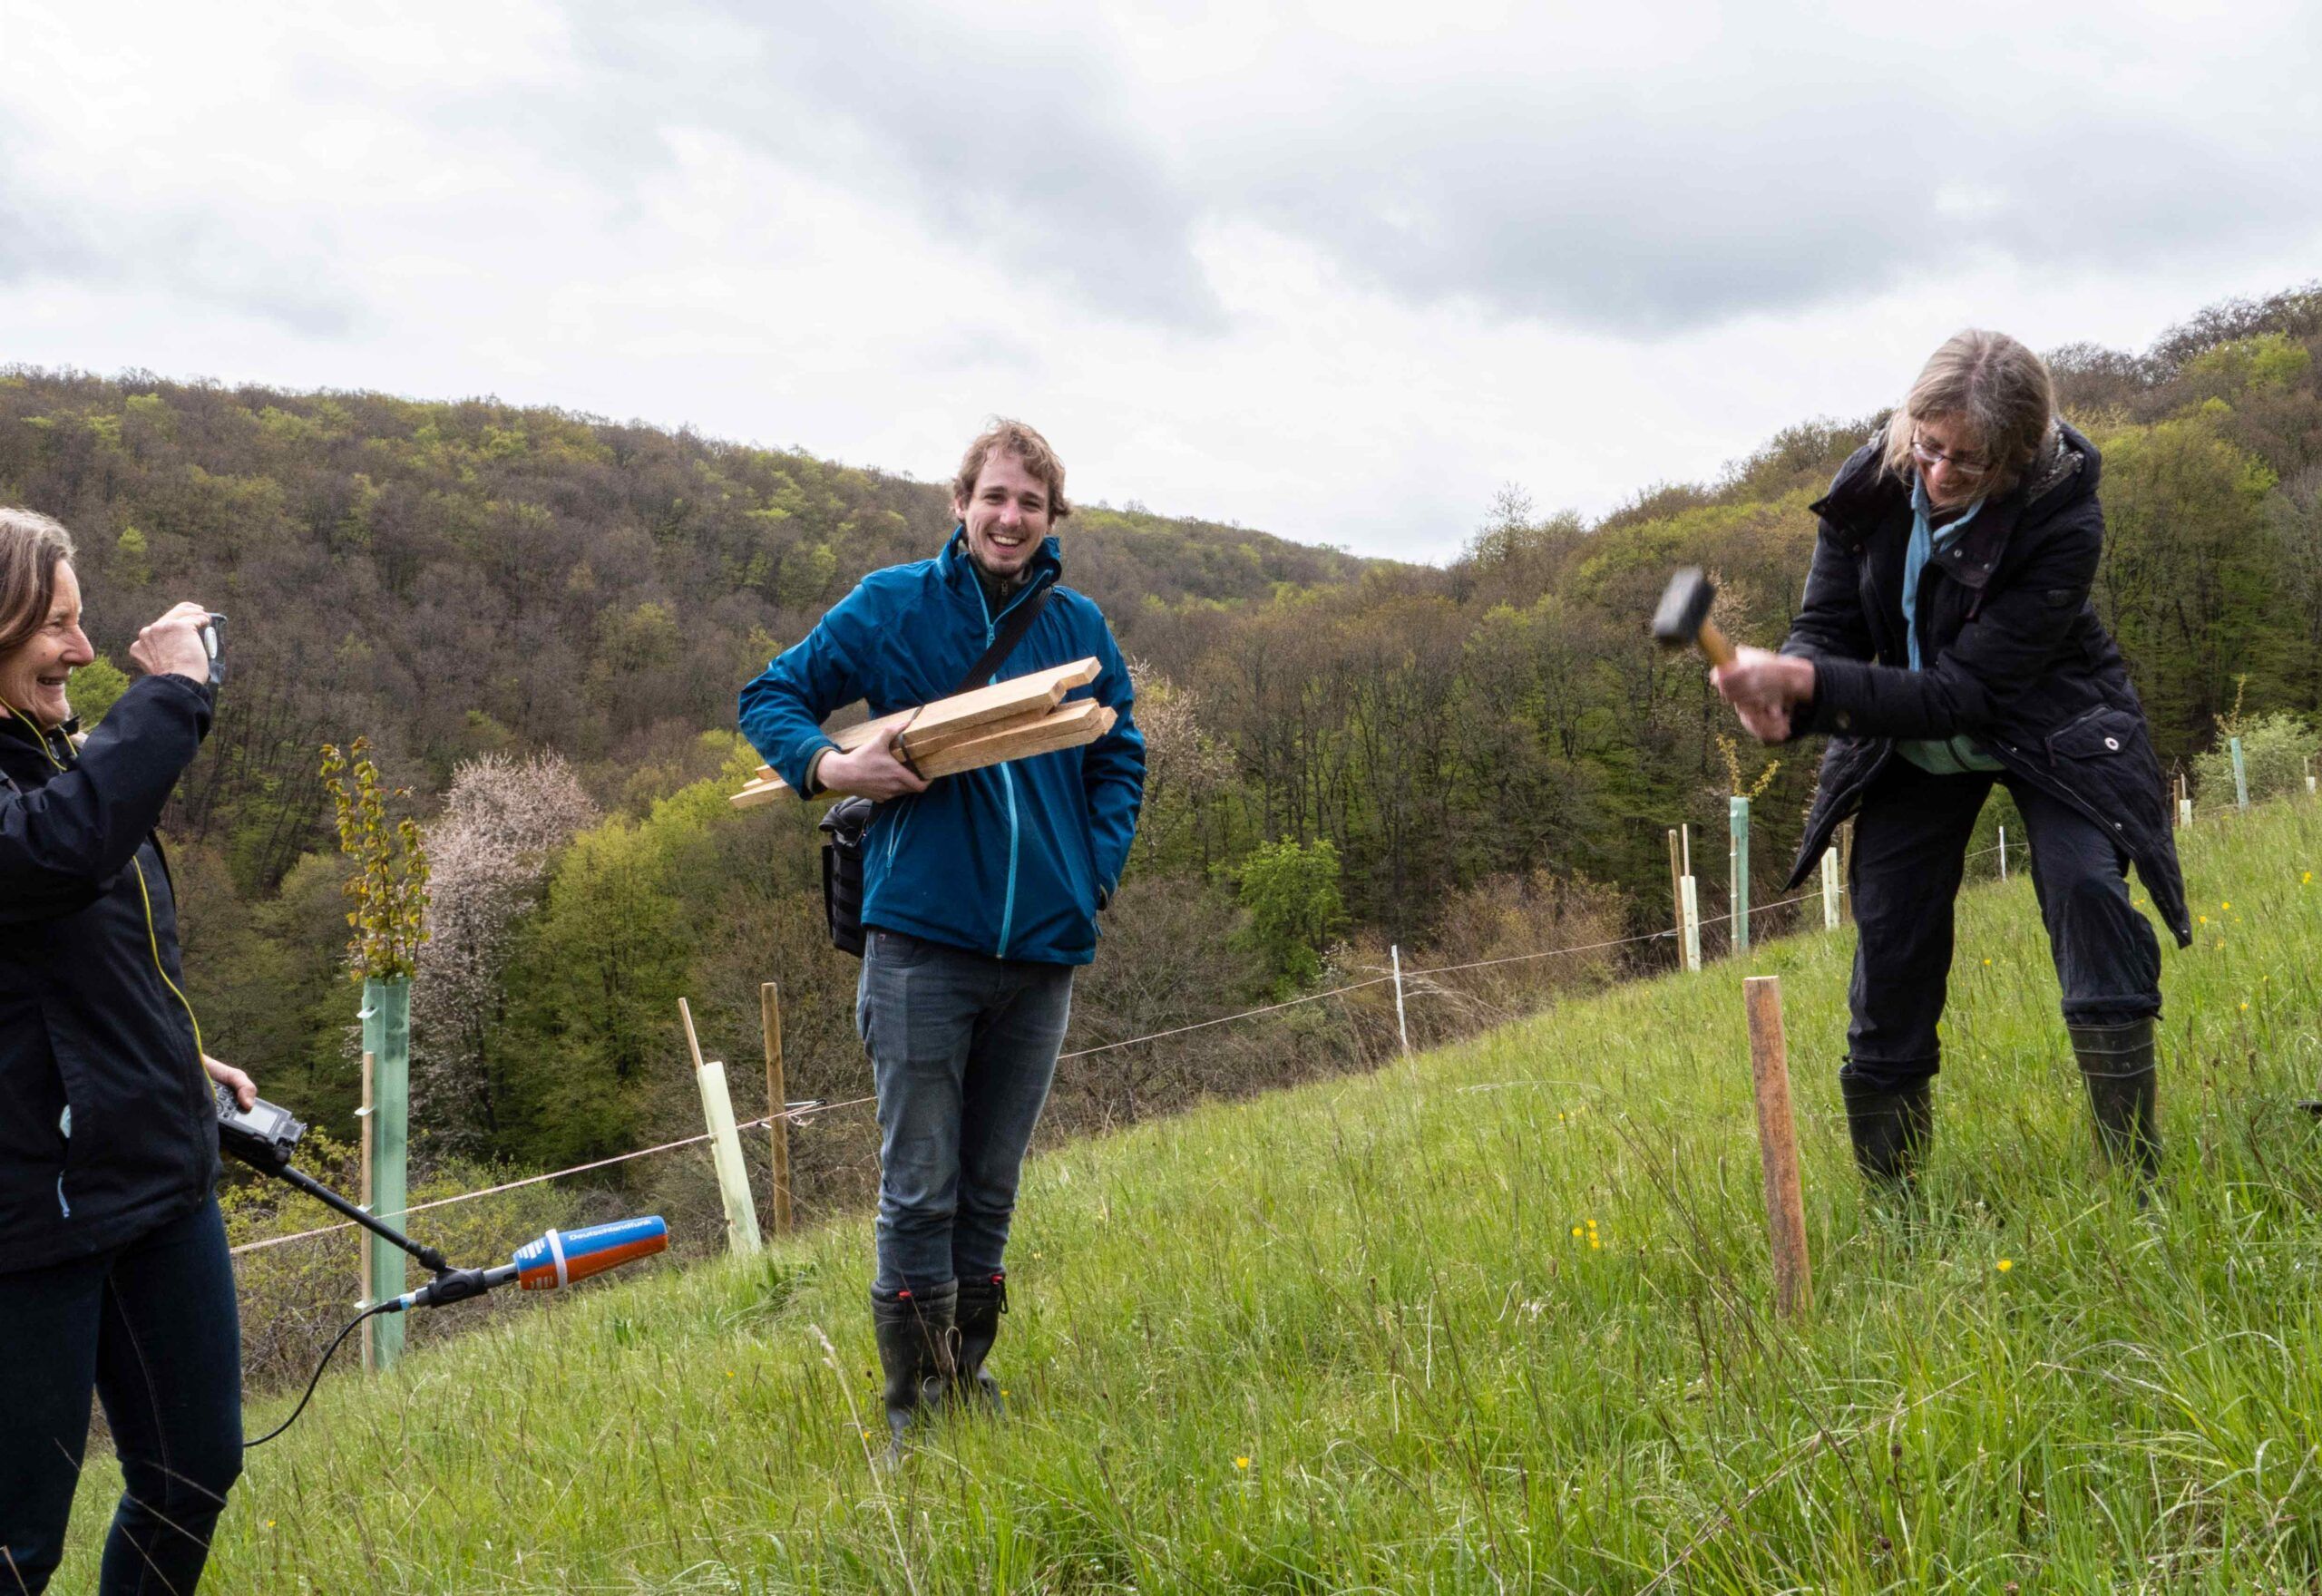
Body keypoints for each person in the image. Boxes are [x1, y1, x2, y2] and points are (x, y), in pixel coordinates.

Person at [739, 420, 1144, 1445]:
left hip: (1042, 953)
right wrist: (833, 766)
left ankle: (971, 1379)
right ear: (959, 503)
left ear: (1053, 519)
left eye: (1031, 504)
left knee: (989, 1184)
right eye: (994, 497)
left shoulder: (1079, 624)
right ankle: (913, 1408)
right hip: (920, 944)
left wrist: (1087, 878)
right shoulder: (891, 606)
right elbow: (770, 695)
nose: (1010, 518)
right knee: (920, 1183)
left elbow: (1120, 757)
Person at [1712, 331, 2191, 1195]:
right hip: (1907, 738)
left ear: (2017, 459)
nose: (1937, 474)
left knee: (2088, 890)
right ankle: (1900, 1216)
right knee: (1892, 934)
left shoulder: (2063, 515)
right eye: (1927, 447)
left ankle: (2135, 1175)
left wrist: (1817, 684)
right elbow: (1827, 628)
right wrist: (1788, 697)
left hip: (2051, 722)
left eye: (1966, 465)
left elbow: (1965, 694)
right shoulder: (1872, 483)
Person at [0, 508, 259, 1591]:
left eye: (84, 619)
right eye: (57, 624)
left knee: (192, 1471)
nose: (84, 649)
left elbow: (89, 946)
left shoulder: (56, 752)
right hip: (29, 1215)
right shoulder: (60, 787)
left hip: (155, 1174)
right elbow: (50, 857)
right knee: (16, 1541)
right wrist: (170, 697)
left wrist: (168, 1051)